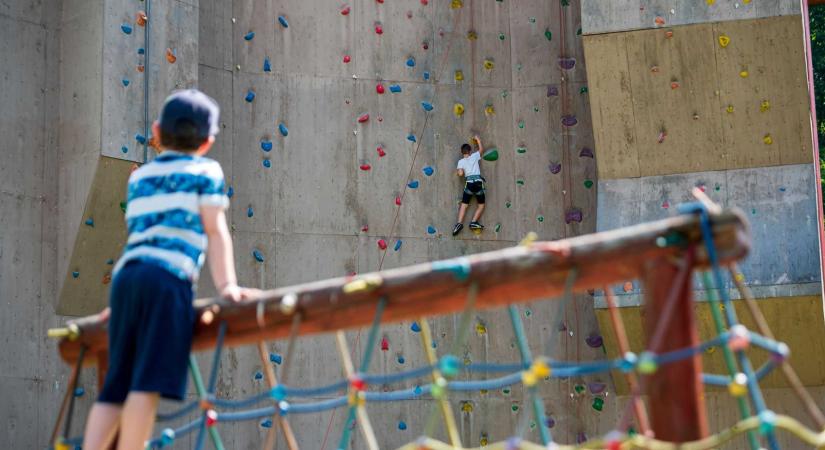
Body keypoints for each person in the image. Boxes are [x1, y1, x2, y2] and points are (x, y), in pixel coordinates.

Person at [83, 90, 259, 450]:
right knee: (146, 384)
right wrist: (227, 286)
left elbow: (141, 236)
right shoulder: (205, 172)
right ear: (207, 142)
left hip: (127, 279)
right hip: (167, 281)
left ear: (156, 131)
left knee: (116, 383)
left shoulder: (140, 178)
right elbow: (215, 230)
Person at [453, 135, 487, 236]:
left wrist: (459, 170)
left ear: (461, 152)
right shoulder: (475, 156)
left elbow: (460, 174)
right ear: (470, 151)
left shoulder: (460, 162)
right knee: (481, 205)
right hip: (478, 184)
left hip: (469, 185)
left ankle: (459, 224)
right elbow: (481, 149)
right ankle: (473, 222)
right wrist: (478, 140)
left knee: (464, 205)